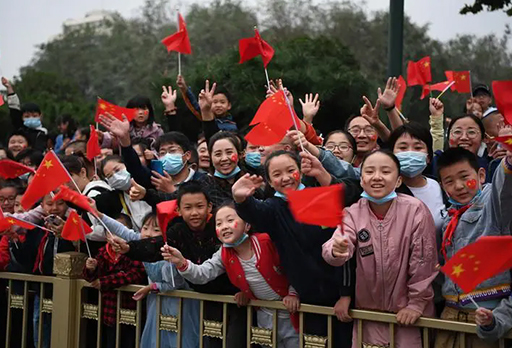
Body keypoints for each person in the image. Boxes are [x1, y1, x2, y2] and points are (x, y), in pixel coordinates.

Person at [232, 150, 361, 347]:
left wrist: (345, 294)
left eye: (290, 170)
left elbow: (342, 246)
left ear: (300, 170)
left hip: (341, 296)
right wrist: (240, 200)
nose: (285, 178)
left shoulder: (318, 196)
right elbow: (256, 213)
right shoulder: (273, 208)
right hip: (307, 299)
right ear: (269, 180)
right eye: (276, 174)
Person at [109, 182, 247, 348]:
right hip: (205, 299)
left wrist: (246, 289)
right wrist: (129, 247)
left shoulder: (221, 228)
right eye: (188, 208)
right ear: (179, 210)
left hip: (236, 298)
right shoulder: (178, 231)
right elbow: (156, 246)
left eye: (200, 206)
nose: (194, 213)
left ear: (210, 207)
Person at [322, 150, 438, 348]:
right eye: (369, 171)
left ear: (398, 180)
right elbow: (337, 243)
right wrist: (337, 250)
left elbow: (423, 261)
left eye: (385, 171)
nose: (377, 177)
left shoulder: (415, 210)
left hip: (409, 317)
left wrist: (416, 305)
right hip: (369, 315)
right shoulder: (352, 212)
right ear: (361, 180)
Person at [162, 202, 300, 348]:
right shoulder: (223, 253)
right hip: (264, 315)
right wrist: (181, 262)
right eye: (219, 223)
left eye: (230, 220)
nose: (224, 227)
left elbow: (296, 268)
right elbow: (202, 274)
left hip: (292, 314)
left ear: (247, 225)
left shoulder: (267, 242)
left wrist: (293, 293)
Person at [434, 141, 512, 348]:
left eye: (465, 177)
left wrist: (510, 162)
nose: (458, 186)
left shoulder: (492, 207)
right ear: (442, 186)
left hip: (488, 315)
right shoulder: (449, 218)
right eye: (449, 181)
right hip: (450, 316)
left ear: (481, 176)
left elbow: (503, 191)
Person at [90, 205, 199, 348]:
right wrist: (99, 214)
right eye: (145, 228)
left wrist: (152, 287)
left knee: (180, 341)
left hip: (179, 303)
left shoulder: (169, 249)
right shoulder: (143, 245)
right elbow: (123, 231)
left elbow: (176, 284)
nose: (148, 233)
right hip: (156, 302)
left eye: (156, 230)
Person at [83, 240, 146, 348]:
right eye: (110, 232)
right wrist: (91, 269)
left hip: (130, 311)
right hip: (108, 311)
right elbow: (91, 278)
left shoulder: (135, 252)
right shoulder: (103, 252)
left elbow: (135, 275)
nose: (114, 237)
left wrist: (105, 282)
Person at [388, 123, 447, 231]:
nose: (410, 152)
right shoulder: (384, 190)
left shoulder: (440, 187)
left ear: (428, 157)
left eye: (418, 147)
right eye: (403, 147)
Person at [60, 155, 113, 255]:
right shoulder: (83, 195)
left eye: (69, 177)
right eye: (61, 181)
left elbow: (105, 231)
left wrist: (76, 229)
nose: (66, 185)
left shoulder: (93, 194)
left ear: (83, 172)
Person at [94, 155, 152, 231]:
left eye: (117, 170)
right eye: (110, 176)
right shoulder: (114, 198)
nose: (115, 176)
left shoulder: (150, 183)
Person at [2, 77, 48, 152]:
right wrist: (9, 88)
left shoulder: (43, 133)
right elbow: (14, 109)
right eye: (27, 116)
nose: (31, 118)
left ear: (40, 116)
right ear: (22, 118)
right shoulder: (20, 129)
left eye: (34, 116)